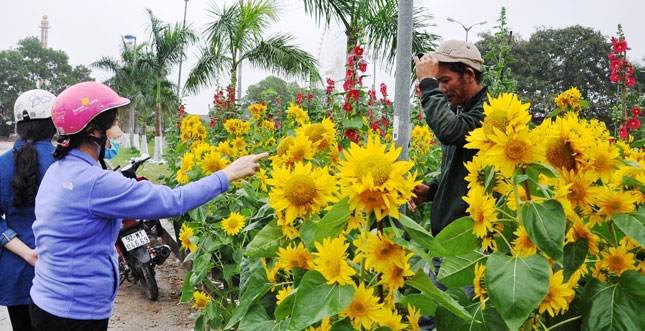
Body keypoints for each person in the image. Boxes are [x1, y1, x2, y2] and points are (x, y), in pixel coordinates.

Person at [28, 81, 268, 331]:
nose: (117, 131)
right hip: (74, 314)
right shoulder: (94, 182)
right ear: (92, 129)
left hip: (47, 299)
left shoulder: (59, 170)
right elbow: (174, 201)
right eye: (112, 123)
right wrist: (227, 174)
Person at [410, 40, 487, 330]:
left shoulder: (490, 113)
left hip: (470, 245)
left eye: (445, 80)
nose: (441, 89)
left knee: (453, 319)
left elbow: (449, 131)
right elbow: (463, 170)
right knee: (430, 317)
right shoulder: (464, 112)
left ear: (469, 75)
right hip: (449, 241)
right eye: (437, 82)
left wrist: (427, 86)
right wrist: (432, 189)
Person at [0, 89, 58, 331]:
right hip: (59, 271)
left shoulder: (2, 164)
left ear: (19, 125)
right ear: (54, 124)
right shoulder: (66, 162)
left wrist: (26, 253)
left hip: (18, 273)